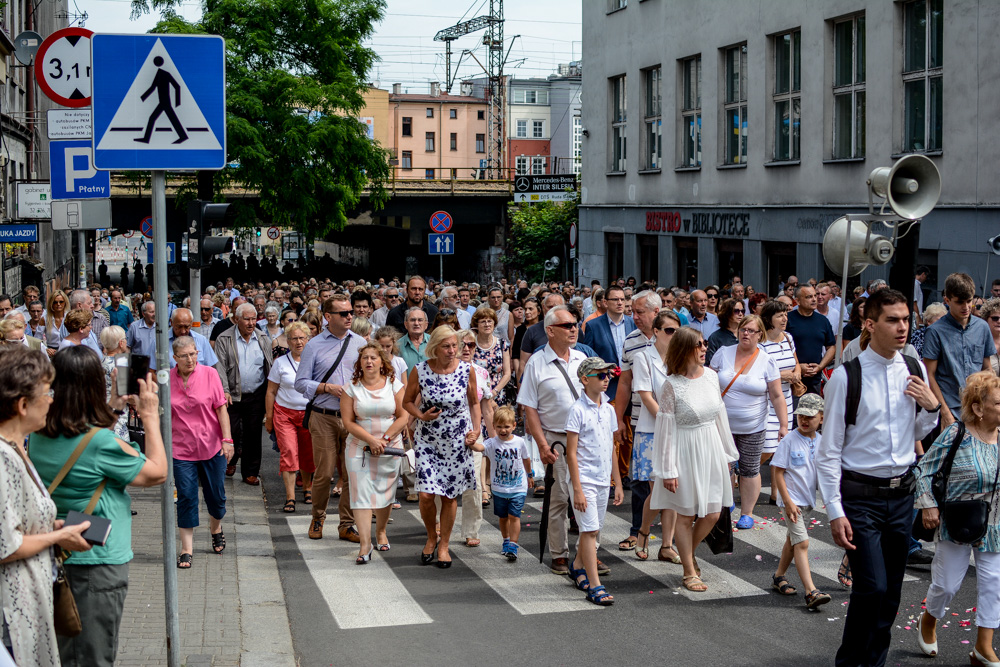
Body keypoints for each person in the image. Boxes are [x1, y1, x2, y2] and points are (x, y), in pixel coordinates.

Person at [815, 287, 940, 667]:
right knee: (872, 588)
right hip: (860, 496)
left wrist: (931, 409)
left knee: (891, 595)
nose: (903, 327)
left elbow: (915, 433)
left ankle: (874, 662)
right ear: (870, 324)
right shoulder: (846, 378)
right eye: (892, 320)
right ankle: (851, 662)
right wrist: (835, 511)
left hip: (901, 495)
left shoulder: (913, 369)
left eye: (906, 319)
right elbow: (829, 451)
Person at [29, 346, 168, 666]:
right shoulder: (100, 444)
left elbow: (83, 441)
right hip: (96, 562)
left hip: (57, 555)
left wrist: (114, 408)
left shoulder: (40, 433)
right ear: (94, 385)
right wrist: (149, 416)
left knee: (69, 652)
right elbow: (157, 472)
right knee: (91, 657)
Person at [0, 347, 93, 667]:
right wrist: (58, 538)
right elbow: (6, 545)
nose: (52, 399)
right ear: (23, 405)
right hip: (11, 610)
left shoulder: (18, 447)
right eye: (47, 391)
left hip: (27, 599)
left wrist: (55, 528)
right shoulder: (2, 457)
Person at [915, 371, 1000, 665]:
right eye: (998, 403)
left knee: (994, 583)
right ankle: (928, 620)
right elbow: (922, 470)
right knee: (946, 585)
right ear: (978, 408)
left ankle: (983, 646)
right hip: (956, 522)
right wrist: (928, 505)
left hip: (994, 524)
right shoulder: (957, 435)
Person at [650, 327, 739, 593]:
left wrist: (728, 455)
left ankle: (686, 551)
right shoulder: (671, 385)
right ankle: (689, 570)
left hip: (711, 447)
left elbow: (720, 418)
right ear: (684, 349)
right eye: (698, 345)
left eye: (705, 344)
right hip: (684, 451)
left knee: (712, 513)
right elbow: (664, 429)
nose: (704, 349)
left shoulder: (711, 377)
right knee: (686, 515)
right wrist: (668, 469)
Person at [518, 305, 595, 575]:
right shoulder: (536, 363)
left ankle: (588, 555)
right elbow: (529, 408)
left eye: (575, 324)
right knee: (559, 498)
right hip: (557, 439)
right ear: (550, 331)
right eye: (567, 325)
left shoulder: (582, 358)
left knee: (589, 496)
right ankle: (560, 554)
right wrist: (541, 445)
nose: (574, 328)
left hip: (586, 439)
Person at [402, 325, 482, 568]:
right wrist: (421, 416)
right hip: (428, 440)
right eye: (446, 346)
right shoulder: (421, 370)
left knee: (449, 496)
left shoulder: (466, 370)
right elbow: (407, 402)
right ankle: (430, 536)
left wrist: (476, 430)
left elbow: (474, 402)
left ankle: (444, 544)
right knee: (426, 495)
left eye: (455, 346)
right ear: (435, 347)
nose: (452, 350)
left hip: (457, 441)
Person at [294, 295, 366, 541]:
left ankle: (347, 523)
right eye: (343, 313)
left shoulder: (359, 342)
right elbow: (300, 383)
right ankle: (318, 516)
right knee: (324, 474)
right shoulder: (313, 345)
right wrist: (326, 387)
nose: (349, 317)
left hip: (353, 418)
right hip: (323, 415)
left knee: (351, 473)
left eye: (350, 313)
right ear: (328, 317)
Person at [710, 314, 788, 529]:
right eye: (743, 329)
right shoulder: (723, 353)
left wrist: (783, 424)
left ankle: (747, 512)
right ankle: (724, 504)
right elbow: (708, 382)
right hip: (720, 425)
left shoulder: (766, 360)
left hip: (753, 426)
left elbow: (777, 395)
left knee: (750, 469)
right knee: (721, 467)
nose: (745, 333)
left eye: (751, 330)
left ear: (760, 334)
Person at [169, 336, 234, 569]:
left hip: (211, 446)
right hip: (181, 449)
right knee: (186, 496)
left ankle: (215, 527)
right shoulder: (167, 378)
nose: (190, 359)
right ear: (175, 358)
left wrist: (227, 440)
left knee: (216, 497)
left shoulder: (209, 374)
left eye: (193, 354)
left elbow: (221, 409)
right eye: (184, 355)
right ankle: (186, 548)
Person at [341, 343, 408, 563]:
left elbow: (403, 416)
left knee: (385, 493)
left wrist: (385, 440)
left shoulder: (394, 385)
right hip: (359, 447)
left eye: (373, 358)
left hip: (390, 446)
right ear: (359, 363)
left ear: (382, 361)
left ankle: (380, 531)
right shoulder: (351, 387)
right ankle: (365, 544)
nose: (369, 362)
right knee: (360, 494)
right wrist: (371, 440)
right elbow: (348, 422)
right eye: (365, 358)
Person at [565, 357, 623, 606]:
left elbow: (611, 448)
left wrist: (617, 482)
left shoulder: (608, 409)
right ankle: (595, 585)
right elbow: (571, 452)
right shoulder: (577, 410)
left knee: (594, 528)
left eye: (608, 374)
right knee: (588, 531)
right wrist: (577, 488)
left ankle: (578, 566)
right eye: (600, 375)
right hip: (584, 479)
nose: (606, 378)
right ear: (585, 379)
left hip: (602, 479)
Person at [769, 393, 832, 610]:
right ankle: (811, 591)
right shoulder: (789, 440)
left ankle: (779, 577)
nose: (804, 420)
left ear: (821, 418)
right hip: (791, 501)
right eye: (801, 415)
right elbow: (777, 472)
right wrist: (786, 501)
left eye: (810, 416)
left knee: (792, 541)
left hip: (806, 502)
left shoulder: (822, 442)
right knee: (802, 542)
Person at [614, 290, 662, 550]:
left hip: (671, 419)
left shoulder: (673, 335)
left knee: (670, 475)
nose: (634, 317)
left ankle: (673, 530)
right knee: (641, 477)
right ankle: (636, 530)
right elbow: (625, 381)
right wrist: (619, 419)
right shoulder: (631, 340)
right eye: (633, 311)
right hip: (639, 418)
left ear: (656, 312)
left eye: (639, 312)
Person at [632, 310, 681, 562]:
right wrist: (665, 422)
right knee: (659, 489)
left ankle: (667, 545)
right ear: (656, 332)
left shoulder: (681, 358)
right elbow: (645, 395)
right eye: (669, 330)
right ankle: (643, 531)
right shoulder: (643, 357)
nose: (674, 335)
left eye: (677, 330)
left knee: (674, 489)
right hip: (653, 430)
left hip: (678, 431)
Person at [924, 272, 996, 430]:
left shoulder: (982, 327)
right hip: (950, 408)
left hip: (978, 409)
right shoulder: (935, 331)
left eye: (969, 301)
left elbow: (987, 368)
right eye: (960, 302)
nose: (966, 307)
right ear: (947, 300)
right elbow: (929, 375)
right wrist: (944, 412)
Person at [214, 303, 272, 485]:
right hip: (232, 394)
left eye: (253, 319)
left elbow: (268, 365)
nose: (250, 323)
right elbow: (219, 367)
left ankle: (250, 472)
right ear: (237, 319)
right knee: (232, 431)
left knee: (253, 434)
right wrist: (224, 390)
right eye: (246, 319)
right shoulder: (225, 338)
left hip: (256, 393)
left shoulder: (263, 338)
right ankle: (229, 462)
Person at [265, 321, 315, 512]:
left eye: (302, 338)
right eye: (294, 338)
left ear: (308, 339)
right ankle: (290, 496)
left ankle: (308, 487)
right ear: (288, 341)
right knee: (288, 452)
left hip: (308, 414)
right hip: (284, 413)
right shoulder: (280, 363)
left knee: (308, 453)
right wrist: (269, 418)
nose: (298, 342)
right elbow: (271, 391)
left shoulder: (313, 361)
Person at [479, 406, 532, 560]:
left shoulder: (519, 442)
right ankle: (506, 540)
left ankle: (513, 546)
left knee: (514, 516)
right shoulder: (491, 443)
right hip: (499, 488)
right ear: (494, 426)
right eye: (499, 427)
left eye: (507, 427)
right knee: (503, 517)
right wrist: (470, 442)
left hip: (518, 487)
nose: (503, 430)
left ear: (514, 426)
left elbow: (526, 459)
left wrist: (529, 475)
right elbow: (479, 447)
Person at [760, 299, 801, 462]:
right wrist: (780, 375)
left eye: (785, 315)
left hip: (787, 400)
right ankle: (746, 471)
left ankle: (777, 488)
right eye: (779, 316)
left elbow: (796, 362)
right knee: (768, 448)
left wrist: (797, 373)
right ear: (769, 319)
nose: (785, 319)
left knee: (781, 449)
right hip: (768, 401)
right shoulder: (761, 343)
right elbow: (758, 371)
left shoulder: (788, 338)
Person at [785, 285, 836, 395]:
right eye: (809, 297)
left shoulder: (823, 321)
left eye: (815, 295)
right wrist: (798, 367)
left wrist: (820, 366)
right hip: (791, 380)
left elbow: (831, 347)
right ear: (797, 300)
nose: (814, 299)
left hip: (815, 380)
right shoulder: (787, 319)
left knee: (813, 412)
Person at [472, 307, 512, 406]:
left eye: (490, 321)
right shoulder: (470, 344)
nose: (487, 324)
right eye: (483, 321)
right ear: (476, 325)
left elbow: (507, 373)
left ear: (494, 323)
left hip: (497, 394)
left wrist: (493, 393)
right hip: (476, 395)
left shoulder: (502, 344)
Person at [100, 325, 131, 440]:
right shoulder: (121, 363)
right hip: (117, 413)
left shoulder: (100, 361)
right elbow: (128, 394)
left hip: (101, 411)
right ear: (120, 343)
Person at [705, 297, 743, 364]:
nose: (740, 314)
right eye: (736, 311)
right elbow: (710, 363)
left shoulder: (746, 334)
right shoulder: (715, 337)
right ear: (727, 313)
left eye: (742, 311)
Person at [399, 307, 430, 372]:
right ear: (406, 324)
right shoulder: (397, 346)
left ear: (426, 325)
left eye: (420, 320)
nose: (416, 323)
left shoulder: (434, 342)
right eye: (412, 320)